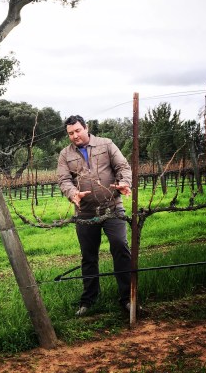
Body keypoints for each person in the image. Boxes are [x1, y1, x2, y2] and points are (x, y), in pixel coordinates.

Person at [57, 115, 132, 316]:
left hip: (112, 207)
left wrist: (124, 182)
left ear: (86, 128)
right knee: (88, 256)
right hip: (85, 212)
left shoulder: (106, 144)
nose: (74, 136)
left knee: (120, 247)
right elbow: (64, 180)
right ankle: (88, 300)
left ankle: (128, 298)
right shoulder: (65, 154)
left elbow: (122, 166)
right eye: (70, 133)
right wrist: (73, 194)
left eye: (77, 131)